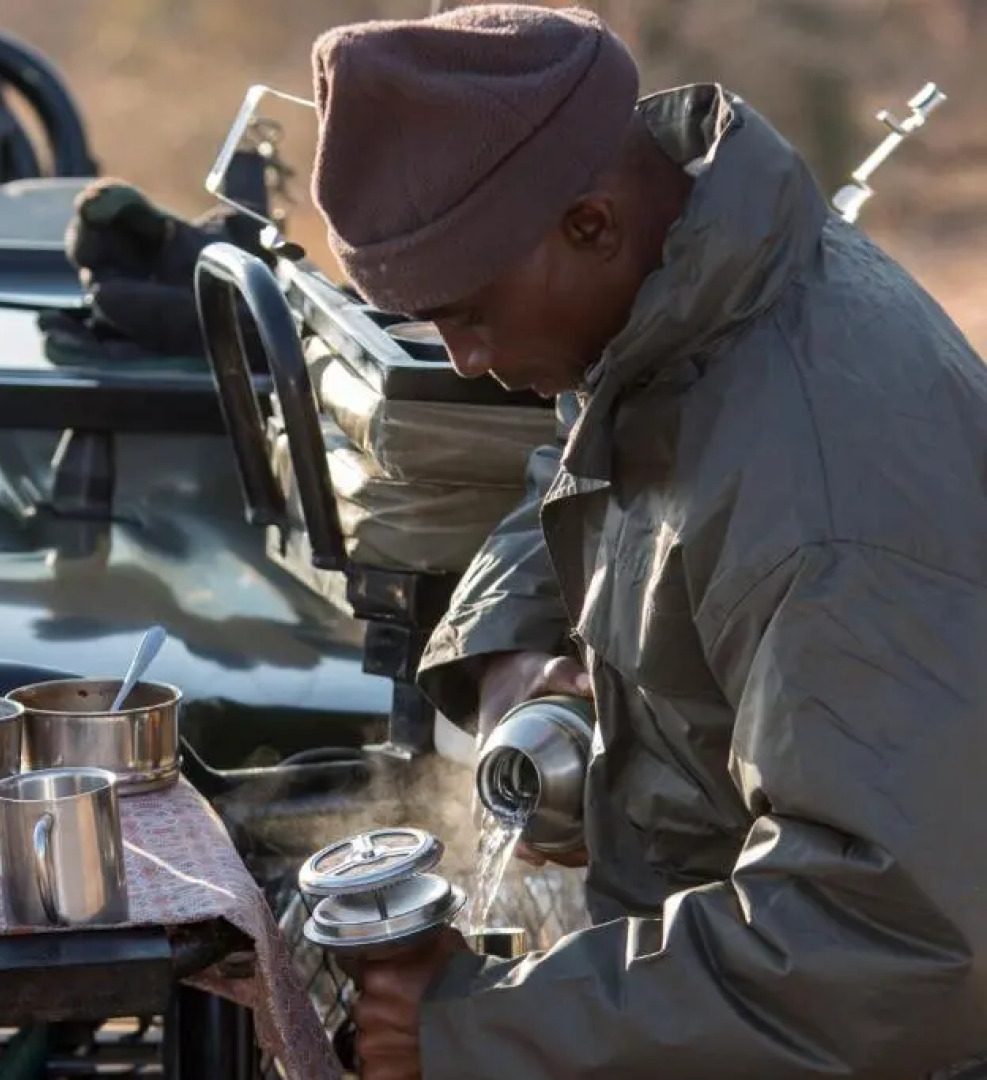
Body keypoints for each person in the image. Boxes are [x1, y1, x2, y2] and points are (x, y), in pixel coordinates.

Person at [307, 5, 987, 1079]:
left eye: (468, 314)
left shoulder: (827, 503)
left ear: (587, 224)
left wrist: (472, 1030)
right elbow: (581, 456)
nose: (466, 361)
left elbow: (885, 953)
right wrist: (512, 660)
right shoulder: (688, 289)